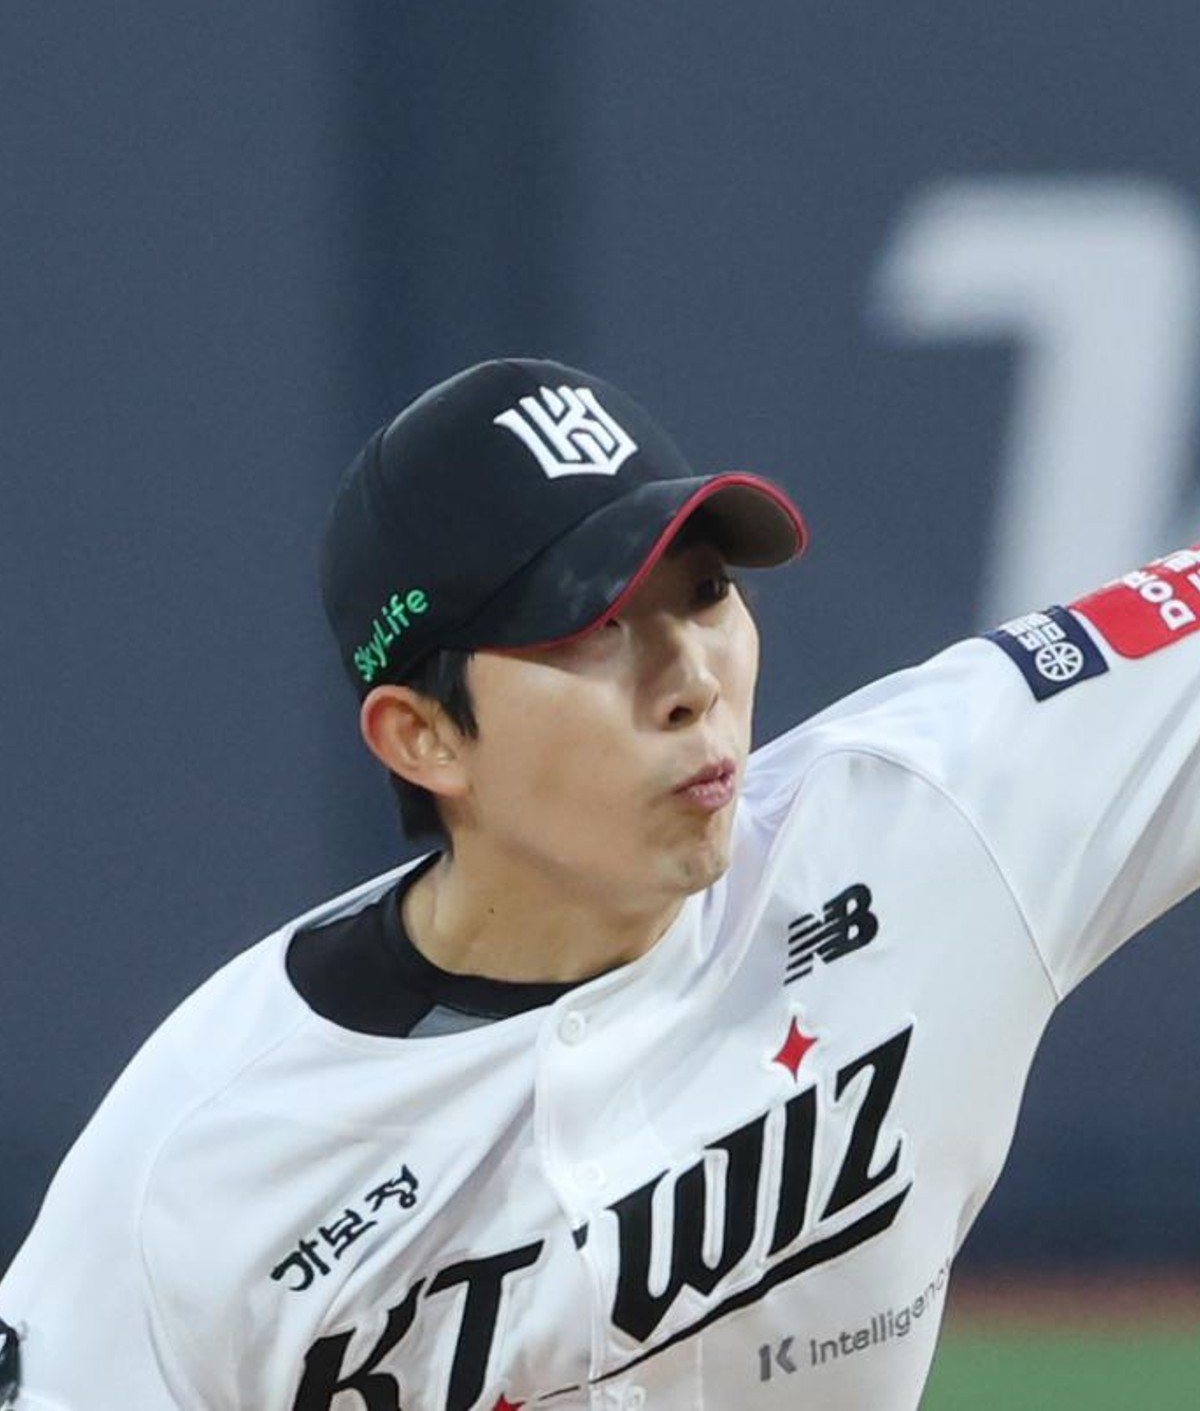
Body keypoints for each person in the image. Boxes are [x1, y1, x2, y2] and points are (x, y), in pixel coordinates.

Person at [2, 356, 1199, 1411]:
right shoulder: (200, 1164)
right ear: (424, 735)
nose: (692, 679)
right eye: (594, 623)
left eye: (708, 591)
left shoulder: (922, 825)